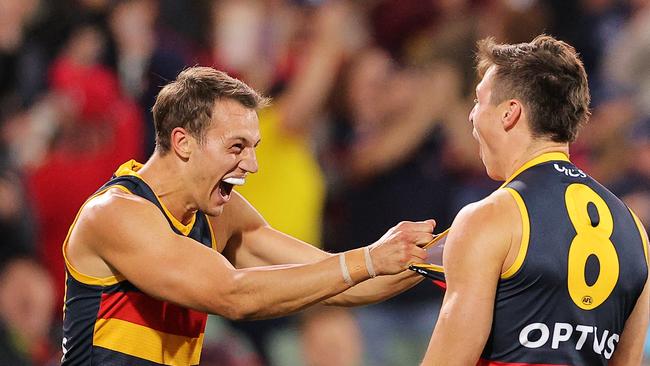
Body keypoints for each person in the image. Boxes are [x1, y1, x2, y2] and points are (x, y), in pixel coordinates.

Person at [60, 66, 434, 365]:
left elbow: (349, 281)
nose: (251, 165)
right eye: (236, 147)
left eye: (253, 147)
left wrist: (448, 250)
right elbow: (233, 295)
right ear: (183, 142)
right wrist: (369, 258)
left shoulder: (220, 214)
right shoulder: (115, 214)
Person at [418, 35, 649, 365]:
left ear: (510, 113)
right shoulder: (634, 231)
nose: (471, 117)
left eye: (478, 102)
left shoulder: (490, 218)